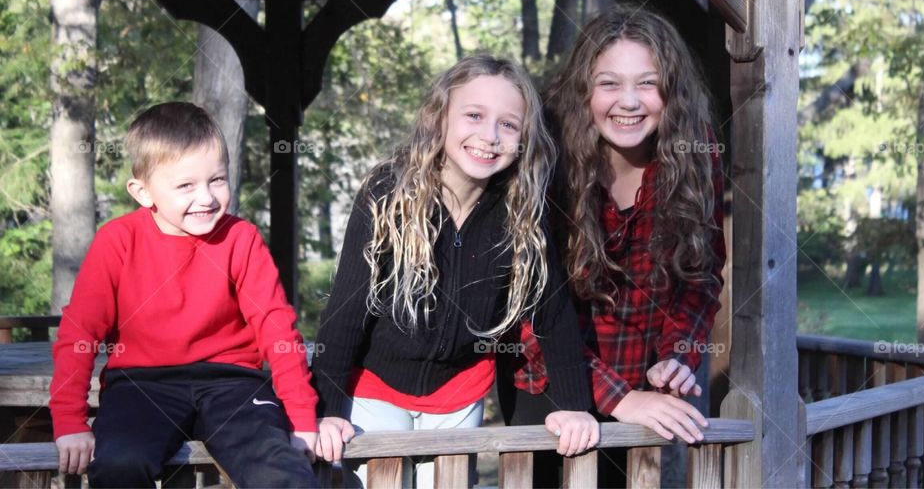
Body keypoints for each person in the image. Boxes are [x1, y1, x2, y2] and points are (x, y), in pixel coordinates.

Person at [312, 55, 599, 488]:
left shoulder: (521, 211)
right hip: (376, 389)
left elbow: (553, 314)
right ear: (439, 116)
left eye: (508, 124)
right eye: (474, 115)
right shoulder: (388, 194)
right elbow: (346, 311)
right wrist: (327, 411)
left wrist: (575, 404)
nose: (489, 135)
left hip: (459, 394)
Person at [500, 4, 726, 487]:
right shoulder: (547, 160)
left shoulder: (694, 154)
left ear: (672, 92)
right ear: (584, 91)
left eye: (647, 83)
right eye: (609, 83)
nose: (629, 101)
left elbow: (701, 275)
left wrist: (677, 355)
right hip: (546, 384)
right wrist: (620, 397)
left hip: (640, 388)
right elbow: (523, 307)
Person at [50, 102, 319, 488]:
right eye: (186, 186)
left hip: (233, 383)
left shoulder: (239, 238)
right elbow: (80, 333)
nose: (207, 197)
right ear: (143, 192)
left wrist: (302, 417)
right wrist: (69, 421)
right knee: (120, 463)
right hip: (142, 384)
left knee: (280, 470)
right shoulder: (117, 241)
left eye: (218, 180)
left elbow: (277, 328)